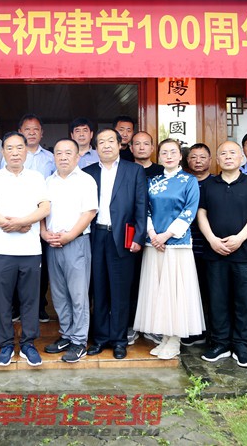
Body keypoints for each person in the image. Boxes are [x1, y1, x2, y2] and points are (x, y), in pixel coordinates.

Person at [0, 132, 50, 366]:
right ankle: (6, 344)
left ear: (26, 151)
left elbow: (45, 208)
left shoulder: (36, 178)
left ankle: (28, 344)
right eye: (9, 148)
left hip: (30, 250)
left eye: (19, 148)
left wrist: (21, 222)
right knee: (2, 301)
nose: (15, 152)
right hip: (0, 250)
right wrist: (11, 224)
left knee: (30, 300)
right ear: (3, 152)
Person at [134, 139, 205, 360]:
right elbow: (144, 209)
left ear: (180, 156)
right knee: (158, 292)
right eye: (164, 152)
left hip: (177, 244)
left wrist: (166, 235)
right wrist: (152, 234)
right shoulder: (152, 181)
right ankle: (164, 336)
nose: (169, 156)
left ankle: (175, 340)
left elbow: (189, 211)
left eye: (173, 152)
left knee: (176, 293)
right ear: (159, 156)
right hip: (154, 243)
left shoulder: (189, 181)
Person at [197, 141, 247, 368]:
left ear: (241, 158)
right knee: (217, 301)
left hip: (244, 253)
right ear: (217, 160)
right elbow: (201, 214)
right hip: (215, 252)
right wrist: (212, 239)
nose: (228, 157)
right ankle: (220, 343)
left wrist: (240, 238)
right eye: (223, 154)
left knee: (245, 302)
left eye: (232, 153)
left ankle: (242, 346)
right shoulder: (209, 184)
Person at [83, 128, 147, 360]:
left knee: (120, 291)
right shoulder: (88, 172)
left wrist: (139, 237)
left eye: (111, 141)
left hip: (122, 237)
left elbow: (141, 205)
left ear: (120, 144)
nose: (106, 145)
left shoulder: (134, 170)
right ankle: (100, 338)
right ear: (96, 147)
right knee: (98, 289)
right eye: (101, 142)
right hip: (96, 236)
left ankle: (119, 340)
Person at [40, 138, 98, 363]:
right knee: (59, 294)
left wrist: (70, 235)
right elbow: (41, 211)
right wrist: (44, 233)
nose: (63, 157)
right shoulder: (48, 181)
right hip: (52, 243)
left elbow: (89, 212)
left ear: (77, 156)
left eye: (68, 153)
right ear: (53, 156)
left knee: (78, 294)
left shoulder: (86, 180)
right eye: (59, 153)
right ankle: (66, 335)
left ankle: (79, 341)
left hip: (76, 243)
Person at [0, 114, 55, 322]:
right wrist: (16, 221)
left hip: (42, 219)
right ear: (20, 132)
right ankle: (15, 307)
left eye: (36, 129)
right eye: (27, 129)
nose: (32, 133)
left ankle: (40, 306)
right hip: (13, 219)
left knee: (40, 266)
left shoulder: (50, 158)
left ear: (42, 133)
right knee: (14, 265)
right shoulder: (7, 157)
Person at [128, 130, 164, 346]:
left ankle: (153, 326)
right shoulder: (125, 169)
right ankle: (131, 325)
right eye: (137, 144)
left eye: (146, 144)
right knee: (131, 281)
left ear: (152, 148)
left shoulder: (162, 171)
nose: (141, 147)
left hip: (158, 236)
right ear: (130, 148)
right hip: (131, 234)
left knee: (155, 283)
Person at [183, 143, 213, 346]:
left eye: (202, 157)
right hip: (187, 245)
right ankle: (193, 331)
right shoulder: (184, 182)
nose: (198, 161)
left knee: (211, 291)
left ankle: (212, 333)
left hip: (211, 246)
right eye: (193, 157)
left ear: (210, 160)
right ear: (187, 160)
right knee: (190, 292)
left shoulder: (216, 183)